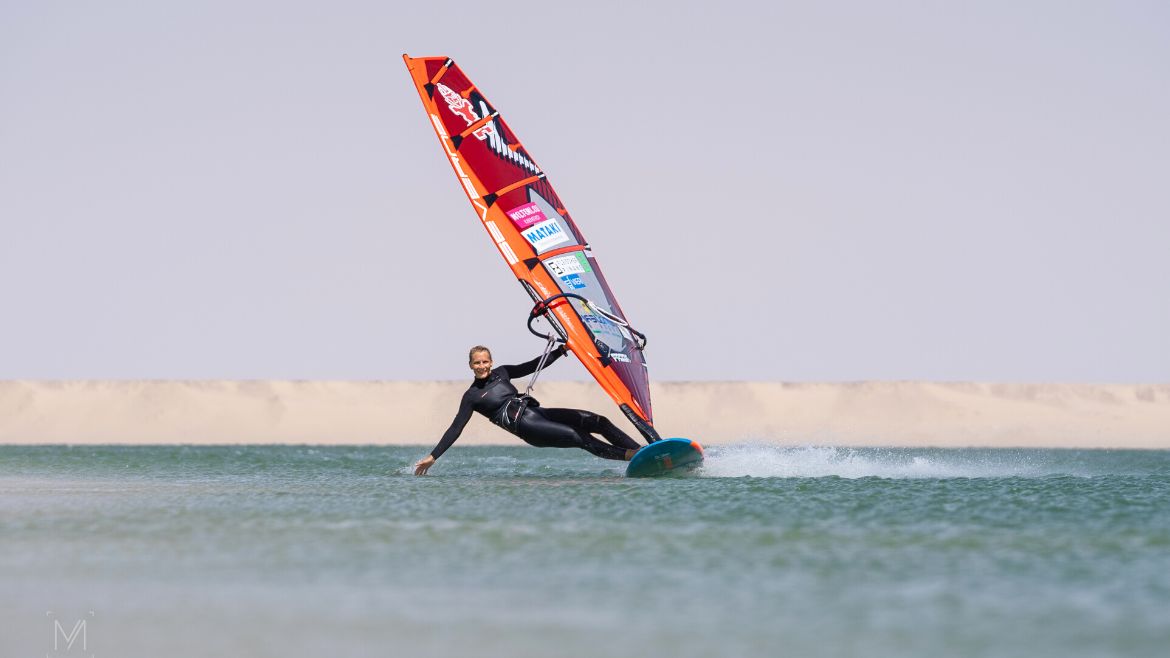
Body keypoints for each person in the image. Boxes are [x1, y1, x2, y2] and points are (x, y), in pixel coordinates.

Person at [413, 344, 643, 475]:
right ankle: (630, 456)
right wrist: (434, 456)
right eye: (477, 363)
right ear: (470, 366)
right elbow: (455, 428)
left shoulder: (502, 372)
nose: (481, 366)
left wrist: (561, 349)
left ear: (491, 362)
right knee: (577, 437)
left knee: (595, 420)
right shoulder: (472, 396)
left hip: (537, 414)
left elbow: (532, 365)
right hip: (529, 428)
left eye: (485, 361)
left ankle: (643, 451)